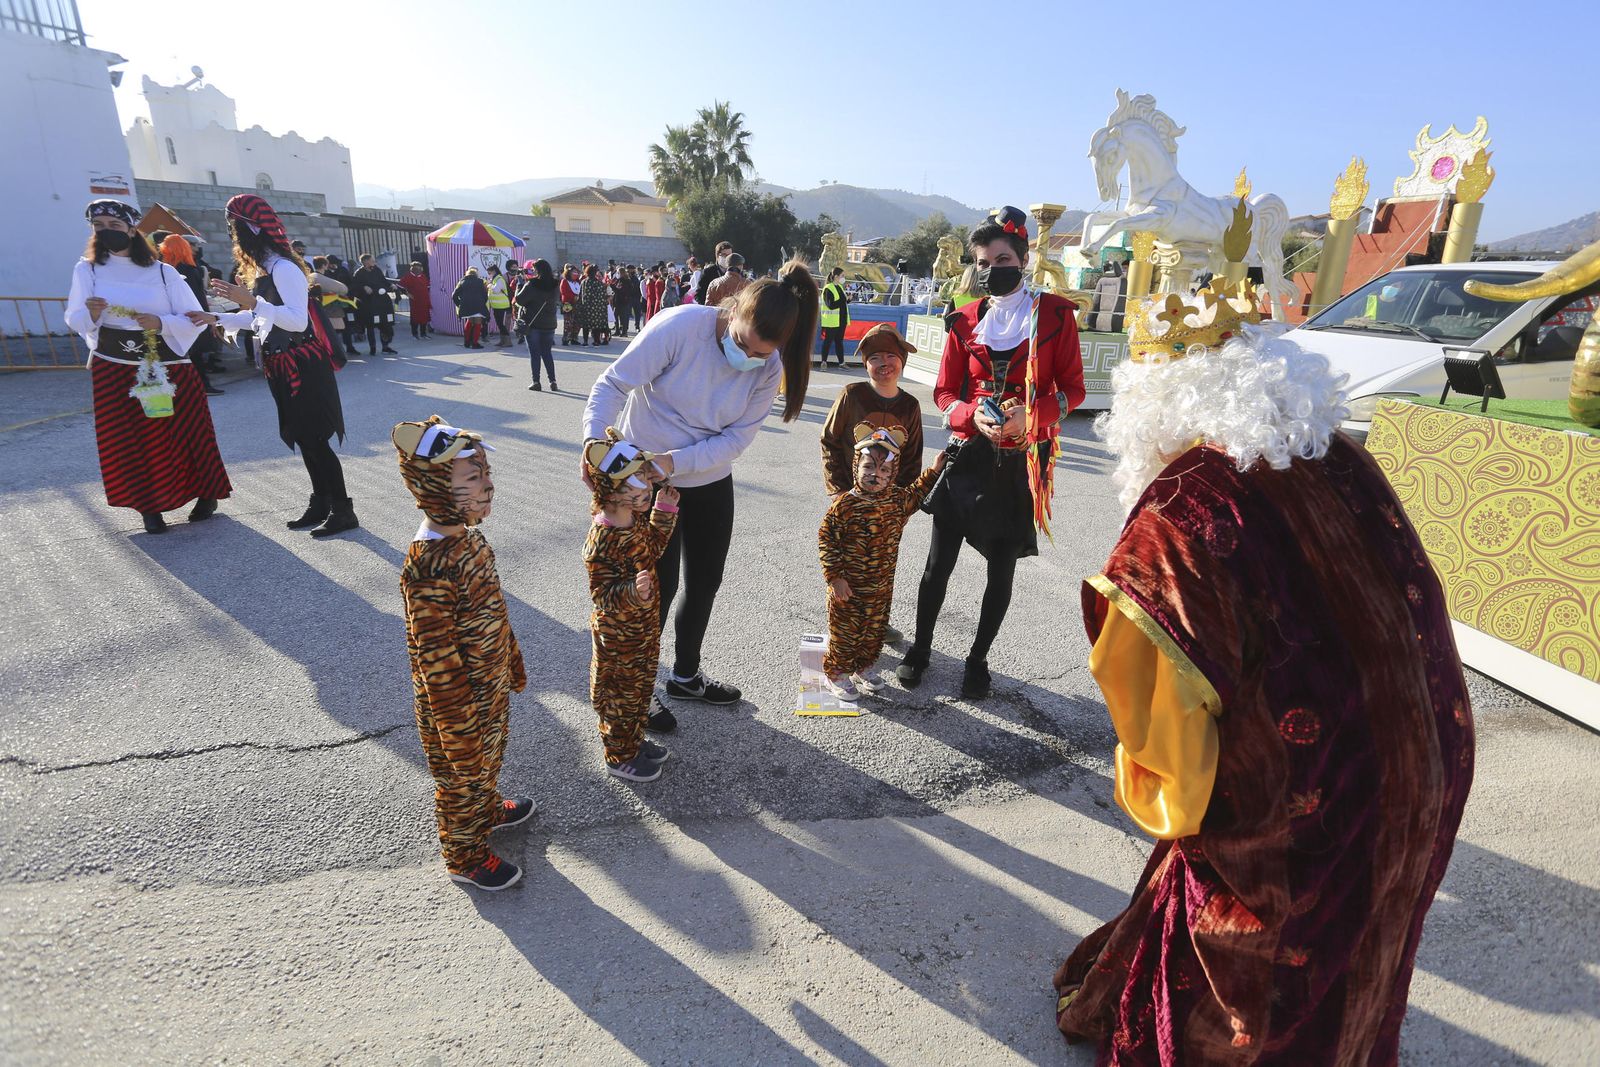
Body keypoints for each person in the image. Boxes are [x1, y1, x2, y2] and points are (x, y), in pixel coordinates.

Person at [1052, 281, 1475, 1063]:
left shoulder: (1172, 516)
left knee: (1269, 954)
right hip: (1432, 748)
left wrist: (1170, 795)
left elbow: (1170, 772)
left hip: (1309, 796)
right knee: (1371, 928)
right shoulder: (1334, 448)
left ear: (1151, 401)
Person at [582, 260, 819, 731]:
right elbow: (612, 383)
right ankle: (640, 688)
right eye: (742, 344)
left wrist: (672, 461)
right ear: (731, 312)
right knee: (653, 590)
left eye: (760, 353)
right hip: (641, 484)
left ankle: (685, 676)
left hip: (706, 479)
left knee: (705, 581)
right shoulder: (680, 326)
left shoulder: (768, 367)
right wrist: (594, 445)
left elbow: (736, 439)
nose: (747, 358)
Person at [897, 206, 1085, 699]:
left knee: (1001, 570)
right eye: (981, 261)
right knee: (938, 564)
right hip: (969, 458)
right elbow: (943, 394)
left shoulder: (1057, 316)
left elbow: (1074, 390)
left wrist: (1035, 414)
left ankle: (978, 659)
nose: (990, 269)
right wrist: (968, 416)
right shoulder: (961, 320)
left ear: (1022, 259)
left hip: (1022, 464)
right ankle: (920, 648)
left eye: (1000, 258)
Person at [392, 416, 534, 891]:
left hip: (488, 683)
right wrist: (457, 728)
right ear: (434, 487)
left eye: (486, 473)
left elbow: (494, 606)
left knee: (488, 763)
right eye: (473, 478)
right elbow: (436, 662)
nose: (488, 486)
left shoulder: (469, 538)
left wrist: (510, 658)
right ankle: (464, 855)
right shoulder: (428, 566)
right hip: (457, 706)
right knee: (460, 779)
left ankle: (488, 807)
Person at [65, 199, 230, 535]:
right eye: (100, 227)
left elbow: (193, 317)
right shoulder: (87, 269)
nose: (107, 232)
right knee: (129, 439)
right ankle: (148, 507)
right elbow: (74, 319)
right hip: (115, 365)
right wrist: (92, 314)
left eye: (114, 225)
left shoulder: (162, 271)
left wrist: (161, 321)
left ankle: (206, 494)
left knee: (187, 432)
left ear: (131, 228)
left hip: (168, 362)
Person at [199, 193, 358, 538]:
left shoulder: (285, 268)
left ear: (251, 229)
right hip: (281, 362)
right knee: (303, 437)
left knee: (315, 439)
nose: (232, 234)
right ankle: (321, 502)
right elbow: (262, 318)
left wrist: (252, 301)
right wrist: (216, 316)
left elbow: (297, 322)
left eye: (234, 226)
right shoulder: (264, 269)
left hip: (303, 363)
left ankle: (343, 509)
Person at [818, 424, 944, 701]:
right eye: (868, 468)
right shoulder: (844, 506)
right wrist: (835, 578)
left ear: (892, 473)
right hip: (847, 588)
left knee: (874, 630)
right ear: (856, 467)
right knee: (845, 633)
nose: (875, 475)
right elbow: (827, 541)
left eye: (884, 470)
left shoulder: (896, 501)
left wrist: (934, 471)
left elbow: (917, 492)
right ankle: (836, 673)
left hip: (880, 587)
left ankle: (863, 667)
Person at [582, 430, 680, 782]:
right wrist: (630, 592)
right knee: (620, 695)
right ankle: (618, 754)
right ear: (611, 492)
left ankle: (634, 742)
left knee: (640, 689)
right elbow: (602, 595)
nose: (646, 489)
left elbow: (652, 548)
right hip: (618, 636)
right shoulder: (601, 540)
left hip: (642, 629)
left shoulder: (635, 520)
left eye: (645, 483)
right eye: (637, 486)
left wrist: (664, 511)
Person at [158, 234, 225, 394]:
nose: (196, 248)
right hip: (192, 317)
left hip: (171, 319)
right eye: (193, 245)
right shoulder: (189, 269)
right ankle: (202, 385)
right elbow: (198, 298)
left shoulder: (163, 270)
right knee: (196, 354)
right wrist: (209, 318)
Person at [514, 258, 560, 391]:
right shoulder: (555, 284)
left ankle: (536, 382)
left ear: (538, 270)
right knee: (547, 353)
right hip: (550, 323)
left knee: (535, 354)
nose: (532, 272)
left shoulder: (532, 284)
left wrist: (520, 284)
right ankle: (553, 381)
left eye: (534, 270)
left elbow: (519, 301)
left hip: (533, 323)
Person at [352, 254, 398, 355]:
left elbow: (383, 280)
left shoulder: (377, 270)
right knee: (370, 326)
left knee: (385, 324)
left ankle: (385, 346)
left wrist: (390, 285)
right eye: (372, 260)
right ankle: (372, 348)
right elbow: (355, 286)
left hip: (382, 301)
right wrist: (364, 287)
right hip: (369, 303)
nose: (374, 262)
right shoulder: (359, 273)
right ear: (365, 261)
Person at [322, 254, 360, 356]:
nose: (335, 265)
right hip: (331, 305)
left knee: (347, 326)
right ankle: (334, 350)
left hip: (345, 302)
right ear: (328, 264)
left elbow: (351, 283)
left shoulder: (343, 270)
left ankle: (350, 347)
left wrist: (347, 292)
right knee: (333, 328)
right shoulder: (324, 273)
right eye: (333, 264)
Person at [817, 267, 850, 368]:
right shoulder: (828, 288)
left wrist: (848, 300)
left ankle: (841, 363)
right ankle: (823, 362)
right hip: (832, 321)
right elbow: (831, 305)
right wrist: (843, 300)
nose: (844, 278)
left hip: (841, 320)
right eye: (842, 276)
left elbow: (842, 303)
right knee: (828, 342)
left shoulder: (840, 287)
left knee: (839, 342)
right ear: (836, 277)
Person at [394, 261, 432, 339]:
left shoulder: (423, 276)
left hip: (424, 301)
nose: (418, 269)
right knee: (415, 318)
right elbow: (399, 286)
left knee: (424, 317)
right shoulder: (408, 277)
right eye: (416, 267)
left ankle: (423, 334)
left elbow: (428, 287)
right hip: (415, 301)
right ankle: (414, 334)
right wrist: (408, 294)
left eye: (419, 267)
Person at [452, 268, 489, 349]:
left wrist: (460, 304)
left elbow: (454, 295)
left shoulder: (462, 282)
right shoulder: (480, 281)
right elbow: (485, 295)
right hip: (478, 305)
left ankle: (466, 342)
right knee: (478, 323)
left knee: (469, 322)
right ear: (476, 274)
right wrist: (483, 303)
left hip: (466, 306)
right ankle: (475, 343)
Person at [580, 263, 610, 346]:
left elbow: (582, 295)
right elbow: (602, 297)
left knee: (586, 324)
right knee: (596, 324)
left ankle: (585, 341)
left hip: (587, 307)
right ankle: (596, 341)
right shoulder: (599, 283)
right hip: (597, 308)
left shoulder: (584, 282)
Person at [486, 263, 512, 345]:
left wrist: (490, 285)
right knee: (499, 323)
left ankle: (507, 341)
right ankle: (503, 341)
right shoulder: (495, 279)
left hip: (501, 305)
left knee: (500, 324)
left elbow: (496, 290)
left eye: (489, 273)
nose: (489, 275)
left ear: (494, 271)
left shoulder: (499, 279)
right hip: (497, 306)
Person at [560, 264, 584, 346]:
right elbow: (564, 292)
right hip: (568, 304)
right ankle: (566, 338)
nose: (575, 274)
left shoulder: (578, 282)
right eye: (573, 272)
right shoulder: (565, 281)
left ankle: (574, 338)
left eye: (576, 272)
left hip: (577, 305)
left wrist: (578, 298)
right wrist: (573, 297)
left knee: (577, 322)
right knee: (568, 322)